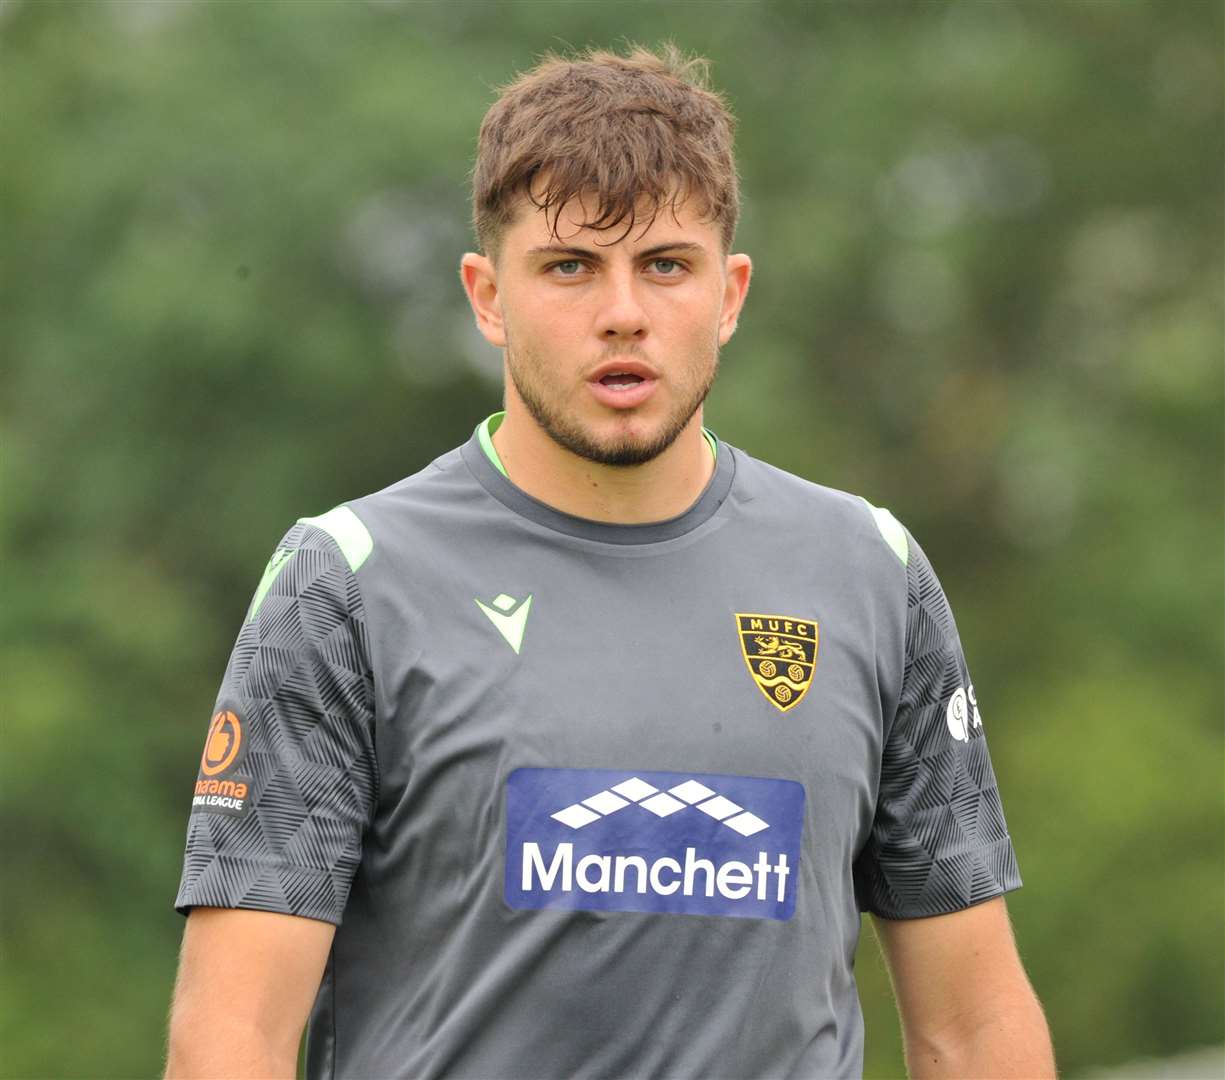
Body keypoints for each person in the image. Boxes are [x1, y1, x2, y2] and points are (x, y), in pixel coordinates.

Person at [165, 44, 1055, 1080]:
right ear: (487, 294)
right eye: (570, 266)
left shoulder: (869, 571)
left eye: (665, 265)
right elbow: (231, 1039)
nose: (622, 311)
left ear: (729, 293)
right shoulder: (348, 581)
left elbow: (972, 1026)